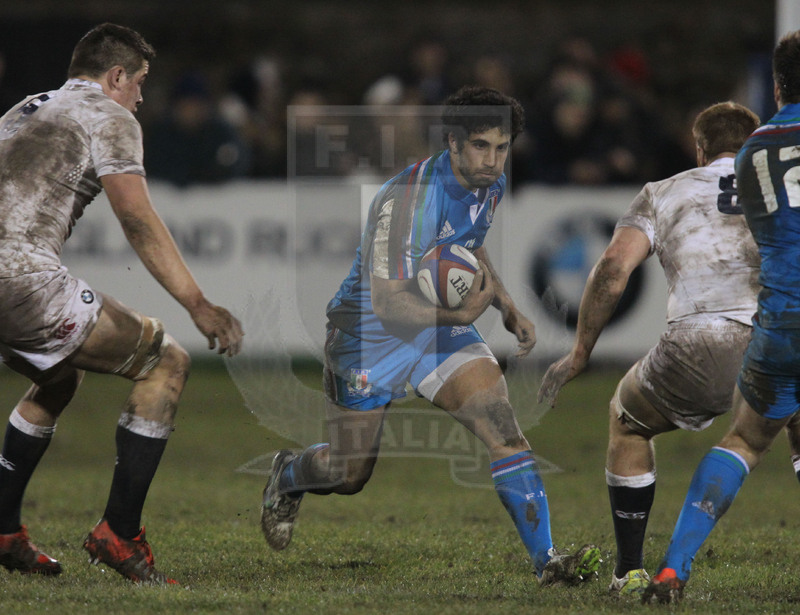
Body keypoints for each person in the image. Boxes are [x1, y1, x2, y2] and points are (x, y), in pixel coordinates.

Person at [259, 85, 601, 585]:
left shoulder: (491, 185)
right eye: (481, 146)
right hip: (367, 336)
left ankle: (546, 561)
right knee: (348, 474)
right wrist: (463, 316)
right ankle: (289, 473)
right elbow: (387, 302)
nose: (493, 159)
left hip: (438, 331)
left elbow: (468, 247)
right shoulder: (408, 201)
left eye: (502, 147)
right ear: (453, 143)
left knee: (502, 428)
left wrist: (506, 307)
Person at [0, 23, 243, 585]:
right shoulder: (111, 117)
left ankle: (6, 530)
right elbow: (135, 216)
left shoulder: (27, 106)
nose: (140, 96)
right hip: (21, 283)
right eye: (138, 83)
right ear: (115, 76)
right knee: (167, 362)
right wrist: (197, 302)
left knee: (58, 380)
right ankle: (120, 534)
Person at [538, 101, 764, 596]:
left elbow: (614, 269)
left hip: (701, 343)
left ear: (699, 149)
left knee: (628, 418)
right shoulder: (783, 189)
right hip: (779, 337)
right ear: (754, 145)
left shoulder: (664, 190)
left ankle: (630, 570)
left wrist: (580, 352)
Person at [642, 29, 800, 604]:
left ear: (778, 85)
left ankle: (673, 569)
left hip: (781, 318)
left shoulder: (756, 150)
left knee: (747, 440)